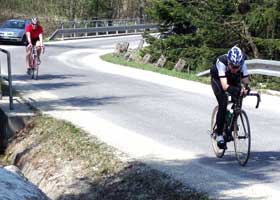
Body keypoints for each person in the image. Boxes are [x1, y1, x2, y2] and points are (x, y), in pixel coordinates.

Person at [210, 46, 250, 149]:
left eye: (237, 67)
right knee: (223, 102)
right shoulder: (221, 62)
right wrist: (237, 90)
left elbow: (246, 81)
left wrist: (246, 89)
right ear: (228, 62)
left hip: (232, 78)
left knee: (239, 97)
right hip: (218, 79)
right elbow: (224, 86)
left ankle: (231, 124)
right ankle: (219, 134)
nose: (234, 68)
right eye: (232, 65)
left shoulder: (243, 64)